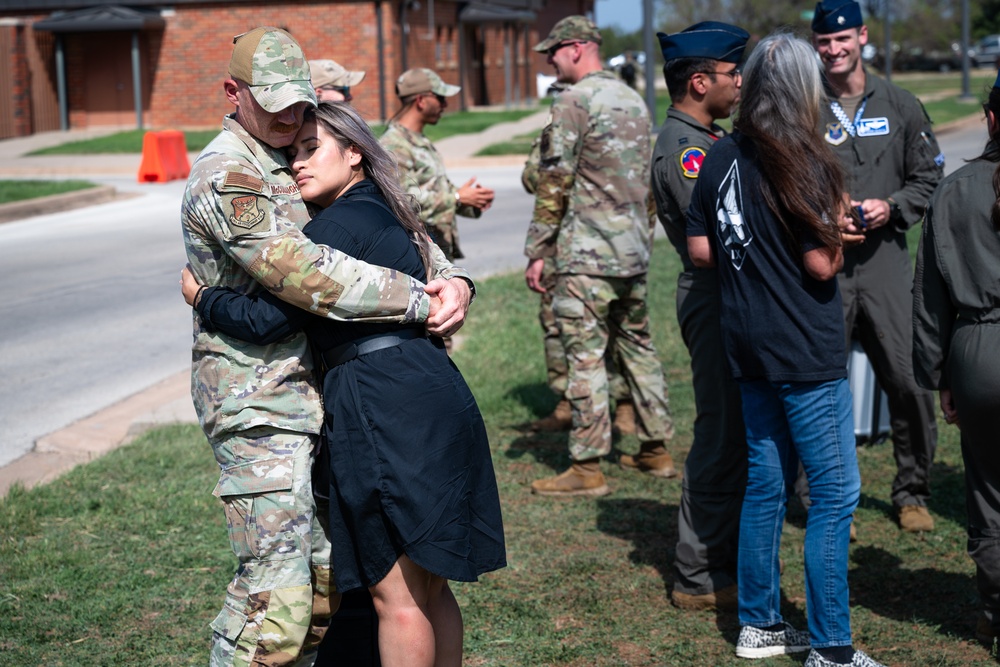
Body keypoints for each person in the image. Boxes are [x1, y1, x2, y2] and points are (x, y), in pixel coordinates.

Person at [181, 27, 474, 666]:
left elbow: (396, 221)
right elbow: (310, 275)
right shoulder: (230, 173)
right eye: (274, 101)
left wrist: (455, 278)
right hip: (261, 405)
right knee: (275, 611)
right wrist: (423, 299)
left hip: (328, 400)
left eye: (300, 99)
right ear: (232, 93)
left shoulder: (292, 151)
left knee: (325, 599)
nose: (292, 115)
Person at [687, 31, 884, 667]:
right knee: (832, 494)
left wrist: (756, 256)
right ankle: (831, 646)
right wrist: (840, 227)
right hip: (804, 347)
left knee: (766, 487)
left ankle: (761, 625)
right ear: (804, 89)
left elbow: (701, 251)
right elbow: (822, 264)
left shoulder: (720, 155)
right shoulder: (808, 159)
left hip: (747, 343)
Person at [524, 15, 676, 497]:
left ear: (575, 48)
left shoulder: (574, 100)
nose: (550, 62)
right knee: (638, 347)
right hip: (631, 251)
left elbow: (554, 180)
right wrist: (643, 237)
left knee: (585, 356)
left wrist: (538, 249)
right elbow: (645, 181)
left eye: (553, 52)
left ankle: (587, 467)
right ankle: (656, 449)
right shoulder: (632, 98)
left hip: (586, 256)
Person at [812, 0, 943, 534]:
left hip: (887, 262)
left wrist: (894, 206)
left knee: (910, 381)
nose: (834, 50)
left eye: (843, 39)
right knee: (817, 382)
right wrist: (823, 215)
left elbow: (930, 177)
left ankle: (912, 490)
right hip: (822, 264)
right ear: (815, 44)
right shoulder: (804, 106)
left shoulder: (902, 104)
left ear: (862, 36)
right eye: (824, 42)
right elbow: (778, 180)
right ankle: (814, 493)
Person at [650, 21, 749, 612]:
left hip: (726, 296)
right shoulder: (688, 152)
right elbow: (713, 238)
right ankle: (698, 573)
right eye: (733, 74)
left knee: (736, 429)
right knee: (719, 431)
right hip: (714, 297)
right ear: (699, 80)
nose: (739, 84)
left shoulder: (709, 139)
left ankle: (723, 554)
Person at [913, 74, 1000, 656]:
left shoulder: (954, 189)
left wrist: (940, 375)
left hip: (977, 353)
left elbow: (930, 296)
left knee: (990, 494)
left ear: (990, 119)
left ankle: (996, 615)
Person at [520, 88, 637, 436]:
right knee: (557, 322)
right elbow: (531, 178)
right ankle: (566, 401)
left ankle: (625, 402)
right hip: (559, 241)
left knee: (614, 323)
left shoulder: (612, 130)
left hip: (601, 241)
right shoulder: (552, 132)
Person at [380, 68, 494, 261]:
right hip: (416, 254)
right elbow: (401, 200)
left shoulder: (420, 141)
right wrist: (456, 197)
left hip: (437, 251)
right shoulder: (393, 145)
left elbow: (432, 188)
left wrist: (471, 199)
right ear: (421, 101)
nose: (445, 104)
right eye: (440, 98)